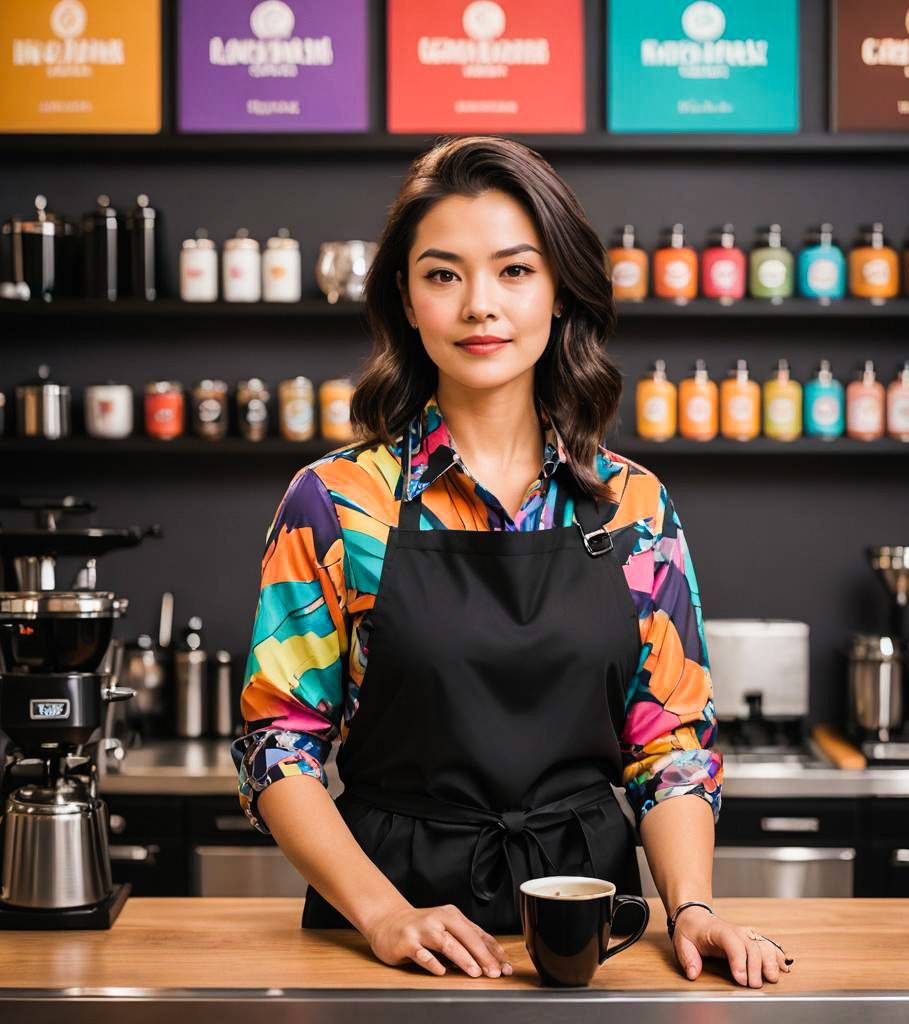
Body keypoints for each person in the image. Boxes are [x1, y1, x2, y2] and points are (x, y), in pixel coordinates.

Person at [231, 135, 794, 988]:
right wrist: (384, 915)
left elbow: (670, 742)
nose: (479, 306)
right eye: (443, 273)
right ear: (407, 301)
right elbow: (278, 745)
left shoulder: (634, 505)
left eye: (515, 271)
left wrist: (694, 908)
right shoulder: (339, 501)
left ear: (561, 291)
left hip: (589, 937)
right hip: (386, 941)